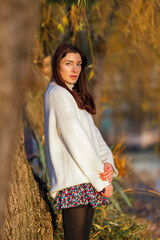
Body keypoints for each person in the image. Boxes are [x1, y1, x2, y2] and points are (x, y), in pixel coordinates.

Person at [44, 43, 118, 240]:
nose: (75, 69)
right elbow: (77, 141)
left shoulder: (73, 95)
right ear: (57, 65)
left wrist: (108, 162)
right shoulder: (57, 94)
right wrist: (102, 181)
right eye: (68, 63)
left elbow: (94, 137)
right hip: (74, 184)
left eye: (78, 64)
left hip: (86, 181)